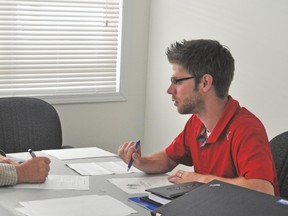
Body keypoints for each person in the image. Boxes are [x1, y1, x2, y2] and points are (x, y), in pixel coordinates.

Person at [118, 39, 279, 196]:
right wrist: (140, 161)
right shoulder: (197, 123)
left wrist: (200, 180)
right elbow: (168, 159)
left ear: (205, 82)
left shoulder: (246, 128)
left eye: (177, 81)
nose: (169, 89)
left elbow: (262, 190)